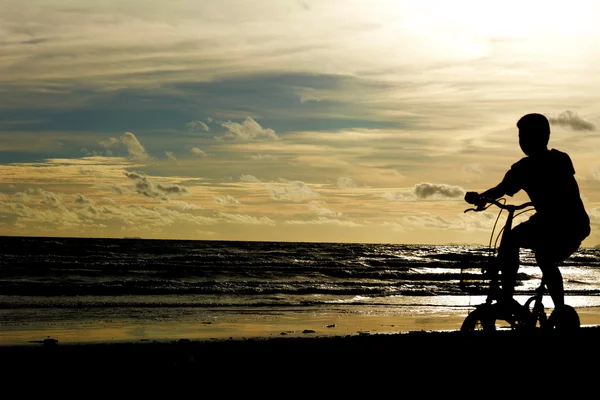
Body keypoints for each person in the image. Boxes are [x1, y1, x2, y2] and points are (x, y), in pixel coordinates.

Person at [465, 113, 590, 312]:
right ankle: (560, 310)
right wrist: (482, 197)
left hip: (560, 222)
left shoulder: (528, 167)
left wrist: (481, 199)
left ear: (543, 137)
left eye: (527, 137)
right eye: (521, 137)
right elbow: (502, 188)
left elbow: (500, 190)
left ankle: (508, 296)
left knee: (515, 241)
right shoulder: (559, 159)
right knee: (543, 256)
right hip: (574, 223)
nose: (523, 142)